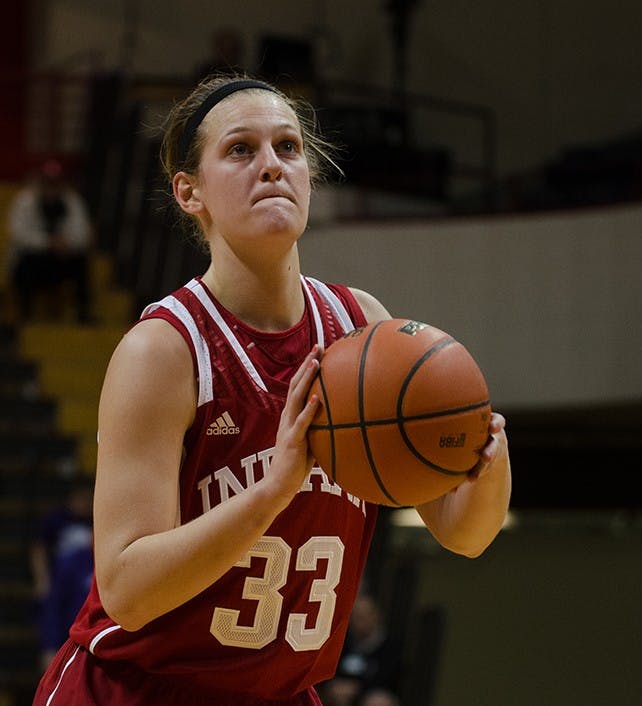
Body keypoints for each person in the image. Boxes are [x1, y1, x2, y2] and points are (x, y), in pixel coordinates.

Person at [33, 73, 511, 706]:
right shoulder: (165, 350)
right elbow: (127, 589)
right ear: (189, 192)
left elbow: (464, 533)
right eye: (240, 150)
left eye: (288, 147)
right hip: (139, 690)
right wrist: (272, 492)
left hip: (278, 693)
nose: (271, 166)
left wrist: (486, 458)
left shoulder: (359, 328)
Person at [6, 158, 93, 323]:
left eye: (55, 183)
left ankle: (84, 314)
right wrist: (48, 243)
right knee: (26, 263)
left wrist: (65, 244)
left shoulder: (72, 201)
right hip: (34, 260)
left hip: (60, 259)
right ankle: (25, 316)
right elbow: (18, 234)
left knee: (81, 262)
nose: (51, 188)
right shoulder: (25, 201)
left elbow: (83, 235)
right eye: (48, 183)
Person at [28, 480, 95, 670]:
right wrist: (42, 579)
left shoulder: (94, 523)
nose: (84, 502)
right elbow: (38, 548)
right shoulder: (57, 521)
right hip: (64, 585)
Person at [323, 593, 401, 706]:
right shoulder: (342, 642)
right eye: (356, 616)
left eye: (364, 616)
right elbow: (330, 669)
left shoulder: (390, 645)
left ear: (375, 616)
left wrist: (357, 687)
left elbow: (389, 678)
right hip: (342, 690)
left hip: (374, 693)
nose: (360, 621)